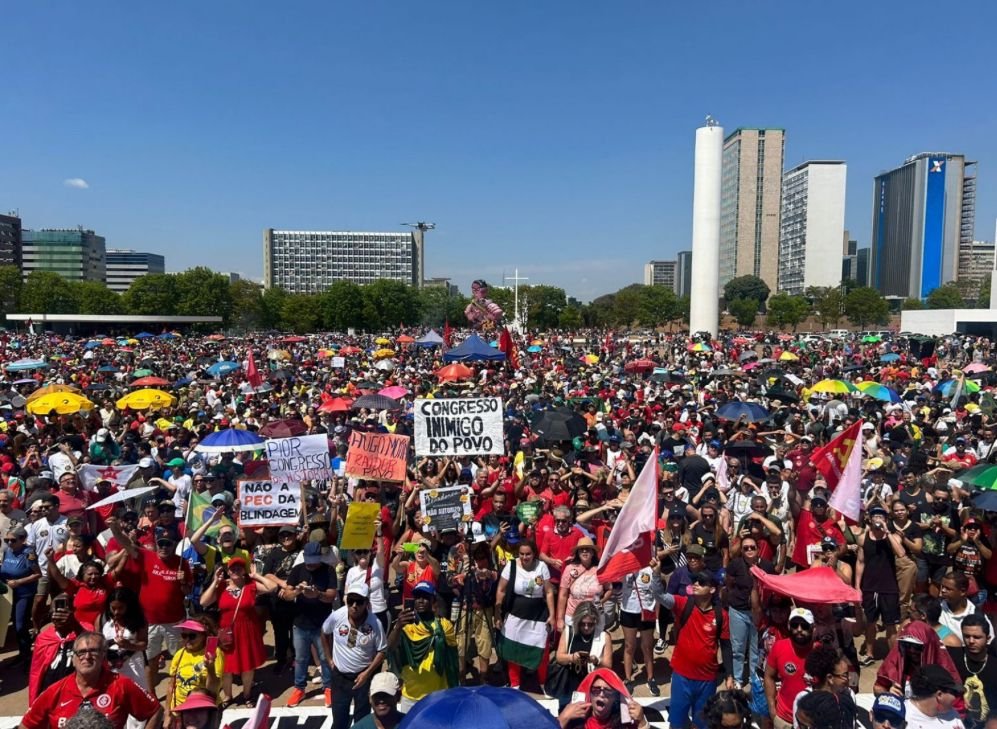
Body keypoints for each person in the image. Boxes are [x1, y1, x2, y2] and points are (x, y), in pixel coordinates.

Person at [19, 631, 163, 729]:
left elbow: (155, 711)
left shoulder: (121, 685)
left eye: (93, 651)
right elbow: (26, 725)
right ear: (73, 658)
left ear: (104, 656)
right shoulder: (54, 691)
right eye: (81, 652)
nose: (87, 657)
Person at [658, 571, 733, 729]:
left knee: (702, 724)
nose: (696, 584)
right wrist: (657, 574)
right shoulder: (683, 604)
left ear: (712, 590)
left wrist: (729, 676)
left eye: (701, 582)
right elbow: (659, 595)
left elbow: (726, 646)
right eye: (695, 581)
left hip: (707, 680)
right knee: (677, 724)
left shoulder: (722, 615)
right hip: (681, 677)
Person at [198, 556, 275, 706]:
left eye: (239, 568)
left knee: (247, 666)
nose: (235, 570)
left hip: (247, 631)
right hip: (226, 633)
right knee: (226, 667)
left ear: (244, 571)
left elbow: (272, 587)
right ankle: (228, 696)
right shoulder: (221, 587)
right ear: (227, 571)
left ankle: (247, 695)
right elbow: (203, 602)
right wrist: (215, 582)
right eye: (232, 568)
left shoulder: (251, 586)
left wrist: (256, 576)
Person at [321, 583, 387, 729]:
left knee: (362, 720)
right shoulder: (337, 615)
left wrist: (367, 673)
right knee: (339, 720)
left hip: (362, 678)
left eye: (359, 602)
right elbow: (324, 632)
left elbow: (382, 651)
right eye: (351, 601)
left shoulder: (375, 623)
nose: (354, 606)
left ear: (366, 603)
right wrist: (329, 659)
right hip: (340, 677)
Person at [495, 537, 556, 690]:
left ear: (534, 554)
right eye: (521, 554)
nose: (524, 557)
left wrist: (552, 615)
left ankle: (542, 684)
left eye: (528, 554)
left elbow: (548, 592)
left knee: (541, 648)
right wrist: (497, 613)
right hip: (516, 613)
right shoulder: (512, 566)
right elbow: (501, 590)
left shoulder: (541, 566)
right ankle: (515, 684)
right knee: (513, 649)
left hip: (538, 614)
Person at [387, 580, 458, 712]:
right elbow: (390, 648)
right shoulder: (405, 624)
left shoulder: (444, 626)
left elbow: (452, 661)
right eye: (417, 597)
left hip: (437, 695)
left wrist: (454, 690)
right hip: (410, 697)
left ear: (433, 601)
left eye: (425, 597)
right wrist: (397, 628)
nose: (420, 600)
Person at [281, 540, 337, 708]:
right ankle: (299, 688)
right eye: (309, 561)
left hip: (322, 624)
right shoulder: (298, 570)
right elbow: (286, 595)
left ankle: (328, 687)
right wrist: (298, 591)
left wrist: (317, 594)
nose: (311, 565)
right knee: (300, 658)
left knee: (325, 658)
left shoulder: (328, 570)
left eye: (315, 561)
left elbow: (332, 595)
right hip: (300, 623)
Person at [856, 505, 904, 662]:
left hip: (888, 587)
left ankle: (894, 658)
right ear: (870, 519)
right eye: (875, 516)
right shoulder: (863, 537)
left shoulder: (893, 537)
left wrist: (887, 532)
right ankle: (870, 653)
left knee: (890, 624)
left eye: (881, 516)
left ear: (886, 519)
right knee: (870, 621)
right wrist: (857, 586)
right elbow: (860, 562)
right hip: (870, 586)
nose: (878, 519)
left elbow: (901, 553)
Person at [725, 534, 773, 689]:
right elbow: (729, 584)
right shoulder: (735, 565)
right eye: (746, 548)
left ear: (758, 549)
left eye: (753, 547)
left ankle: (754, 678)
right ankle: (738, 679)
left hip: (758, 613)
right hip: (738, 611)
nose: (749, 550)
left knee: (755, 648)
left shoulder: (766, 566)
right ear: (742, 551)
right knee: (738, 648)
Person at [548, 600, 614, 710]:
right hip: (568, 682)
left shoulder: (604, 636)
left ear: (596, 622)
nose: (586, 627)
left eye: (590, 624)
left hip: (592, 683)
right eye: (583, 624)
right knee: (567, 713)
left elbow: (608, 665)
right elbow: (559, 657)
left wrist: (595, 661)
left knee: (587, 713)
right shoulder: (569, 631)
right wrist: (572, 657)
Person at [875, 620, 962, 697]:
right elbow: (878, 687)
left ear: (928, 646)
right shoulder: (896, 660)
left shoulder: (943, 667)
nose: (911, 650)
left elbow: (956, 699)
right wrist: (887, 694)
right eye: (907, 645)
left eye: (916, 646)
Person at [765, 608, 815, 729]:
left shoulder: (820, 652)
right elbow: (769, 676)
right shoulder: (779, 647)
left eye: (804, 626)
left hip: (811, 721)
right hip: (783, 720)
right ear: (789, 626)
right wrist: (772, 708)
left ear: (813, 627)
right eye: (794, 625)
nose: (799, 629)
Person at [166, 618, 224, 722]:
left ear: (203, 636)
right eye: (184, 636)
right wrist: (168, 714)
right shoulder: (180, 654)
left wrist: (210, 668)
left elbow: (213, 689)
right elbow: (171, 685)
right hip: (180, 711)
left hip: (203, 712)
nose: (187, 640)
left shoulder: (214, 653)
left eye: (192, 636)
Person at [557, 667, 649, 729]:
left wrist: (642, 722)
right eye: (596, 689)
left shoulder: (625, 723)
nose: (601, 694)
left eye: (607, 690)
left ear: (615, 697)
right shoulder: (574, 721)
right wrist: (563, 717)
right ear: (589, 694)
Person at [1, 525, 40, 665]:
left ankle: (26, 654)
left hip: (23, 594)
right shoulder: (7, 551)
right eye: (7, 540)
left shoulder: (28, 554)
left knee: (20, 625)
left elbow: (37, 574)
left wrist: (19, 582)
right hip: (7, 594)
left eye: (13, 540)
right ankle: (22, 652)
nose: (9, 543)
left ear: (22, 539)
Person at [949, 615, 997, 728]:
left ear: (988, 638)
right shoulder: (952, 657)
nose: (971, 641)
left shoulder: (994, 665)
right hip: (955, 721)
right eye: (967, 636)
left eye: (977, 637)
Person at [101, 588, 149, 694]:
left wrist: (129, 645)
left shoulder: (139, 621)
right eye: (113, 608)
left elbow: (144, 644)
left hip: (133, 665)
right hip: (111, 666)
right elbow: (98, 641)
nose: (116, 612)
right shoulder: (103, 619)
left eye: (121, 608)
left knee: (136, 695)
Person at [903, 665, 966, 729]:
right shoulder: (902, 716)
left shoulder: (952, 715)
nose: (955, 697)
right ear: (939, 695)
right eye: (954, 692)